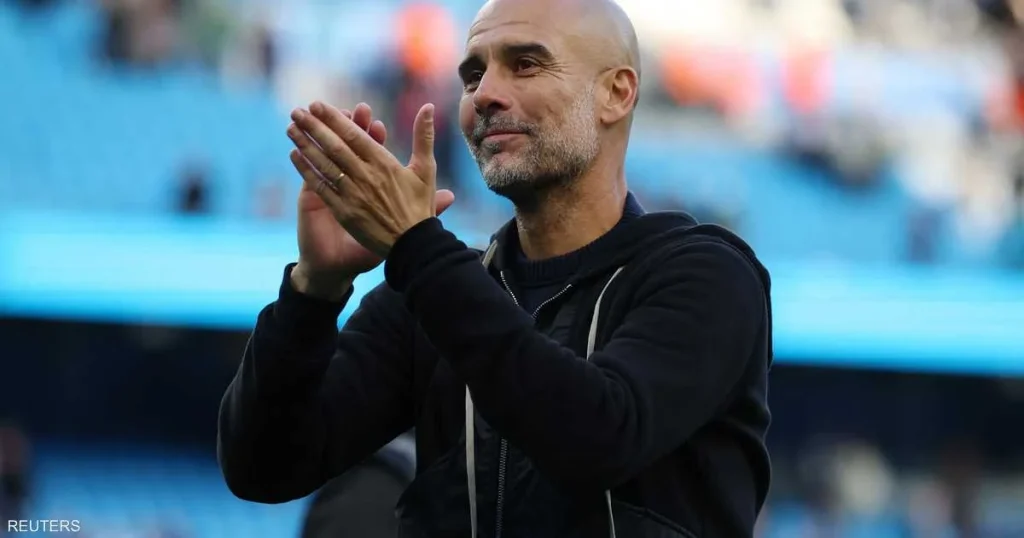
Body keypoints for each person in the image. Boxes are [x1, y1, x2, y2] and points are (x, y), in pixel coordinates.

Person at [217, 0, 773, 536]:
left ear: (616, 93)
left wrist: (416, 247)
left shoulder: (708, 276)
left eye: (525, 64)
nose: (484, 94)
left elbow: (597, 438)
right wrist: (313, 290)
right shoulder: (429, 295)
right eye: (472, 76)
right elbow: (262, 466)